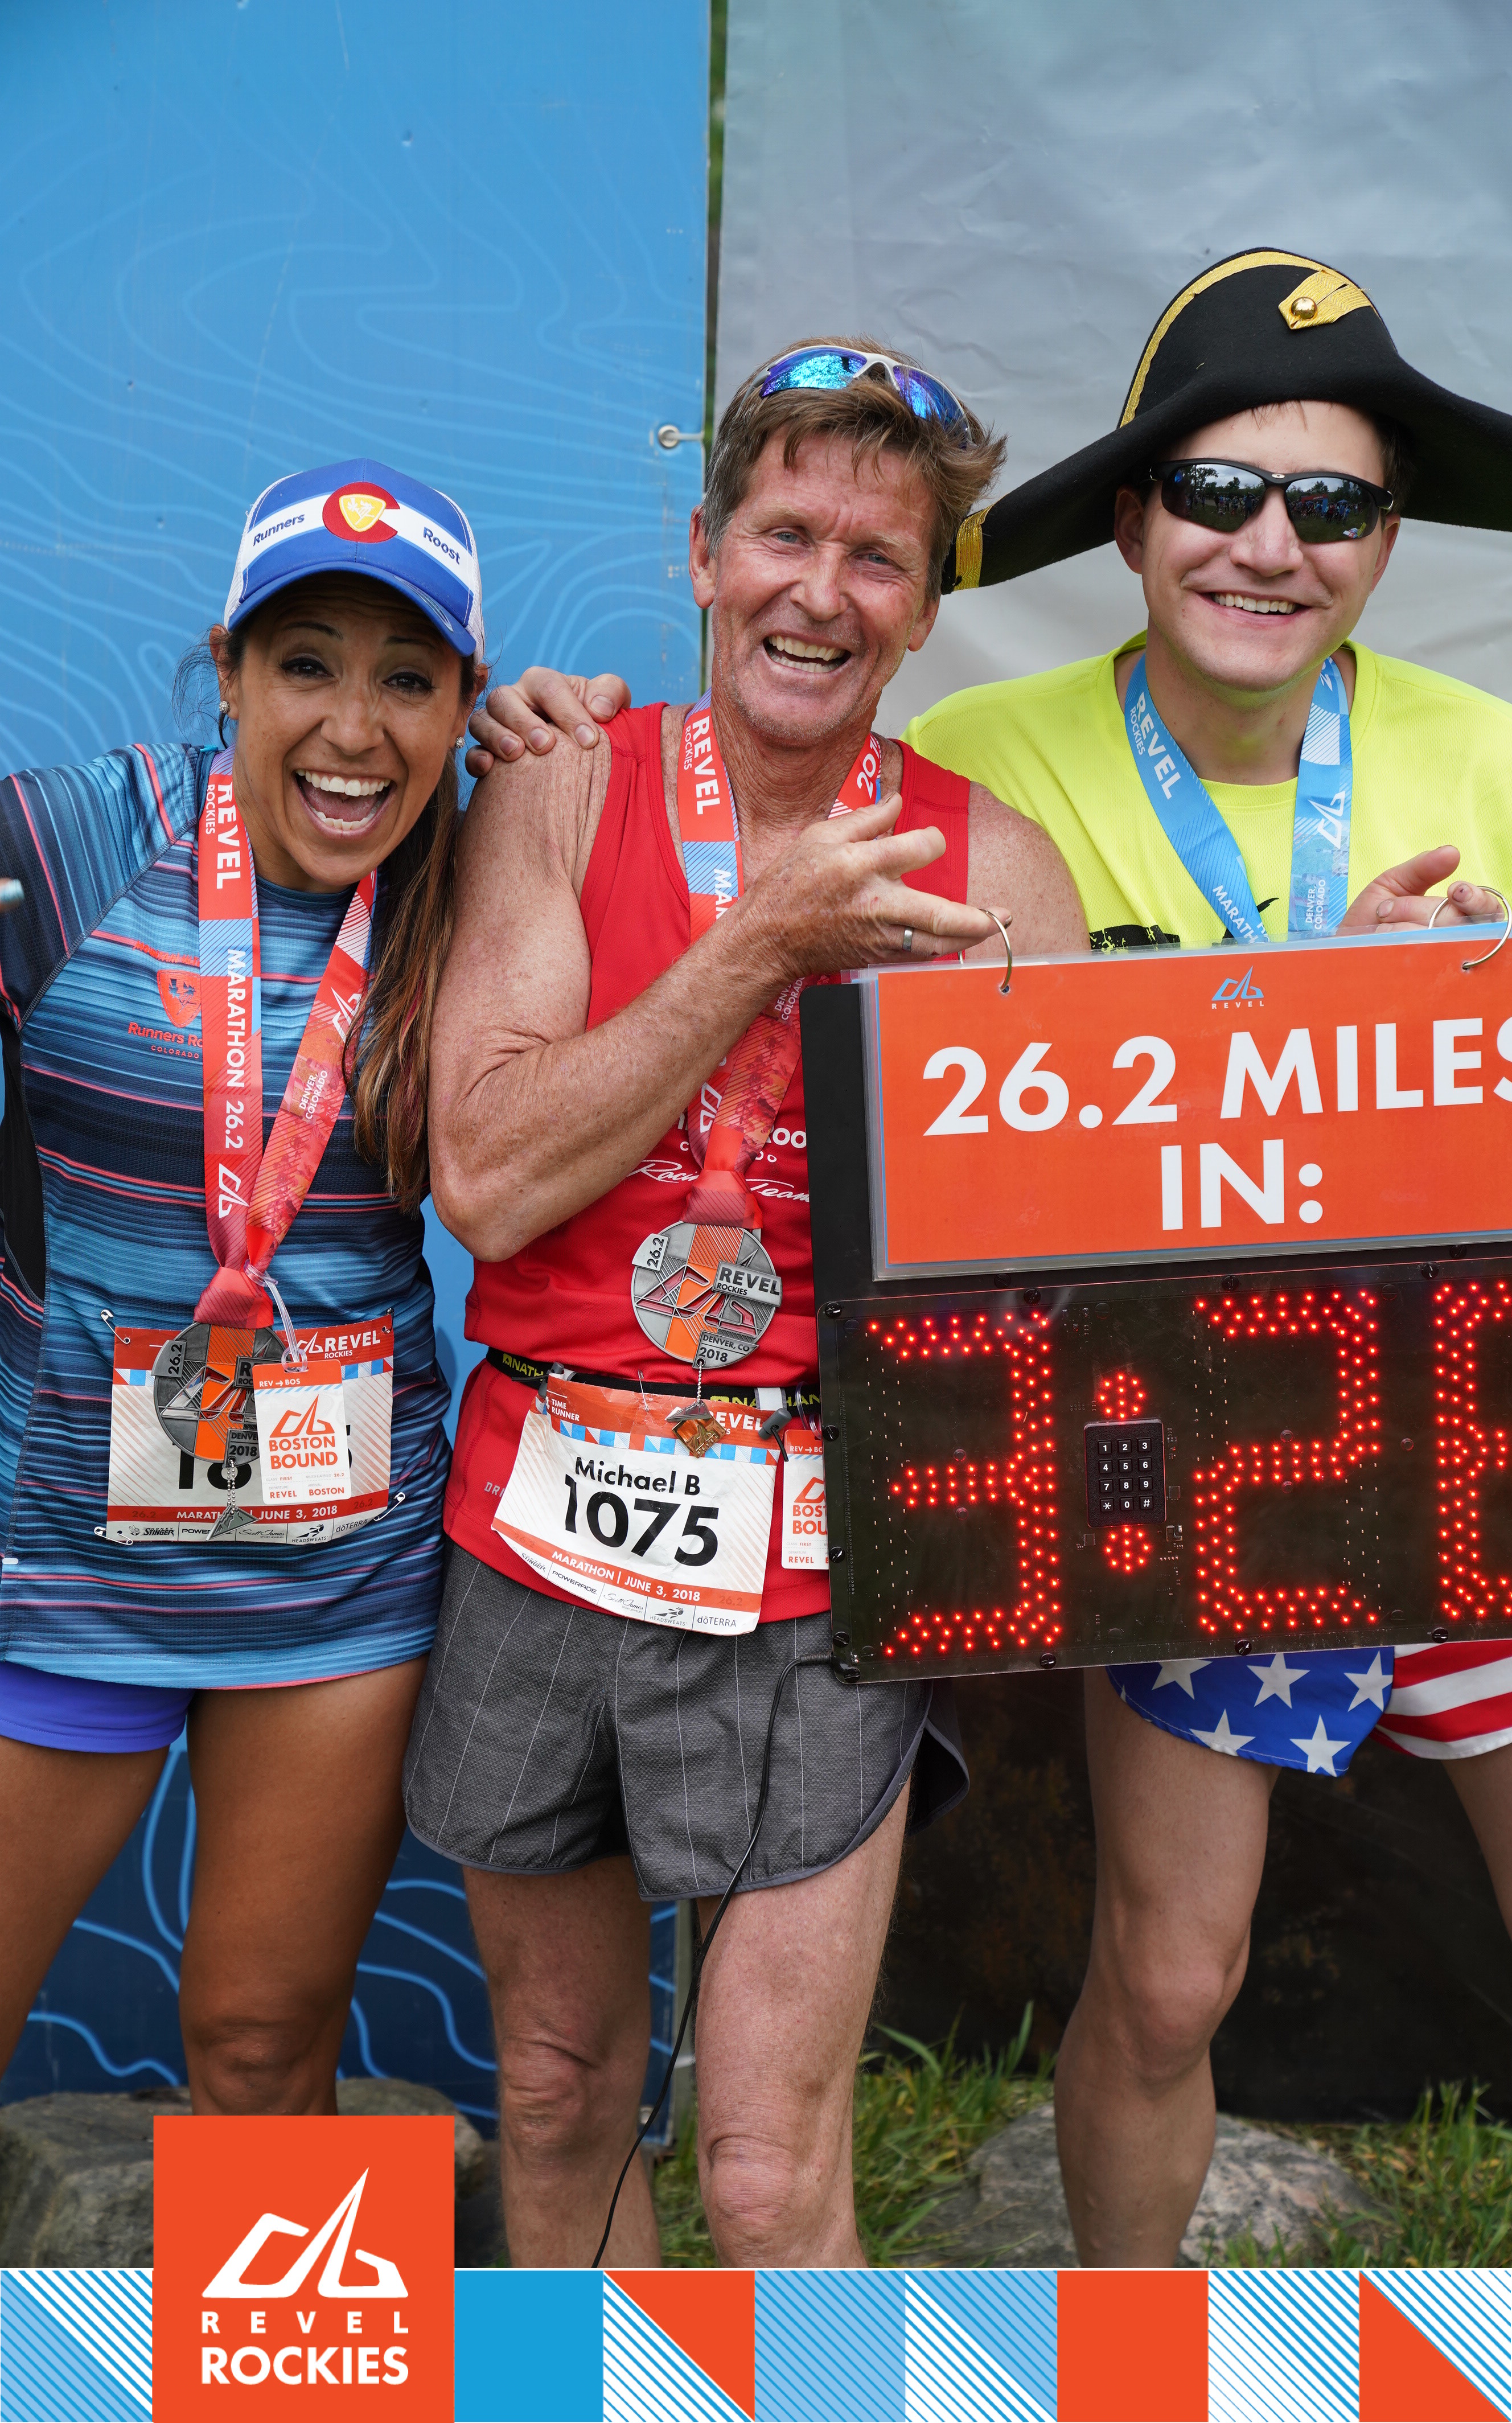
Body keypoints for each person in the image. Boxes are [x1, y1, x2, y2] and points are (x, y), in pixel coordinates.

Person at [410, 342, 1087, 2267]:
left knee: (771, 2172)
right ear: (702, 553)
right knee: (558, 2087)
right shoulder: (561, 789)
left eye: (880, 558)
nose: (822, 591)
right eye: (784, 535)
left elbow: (1070, 1263)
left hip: (817, 1556)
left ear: (928, 609)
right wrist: (760, 949)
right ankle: (596, 2394)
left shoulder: (993, 871)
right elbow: (489, 1175)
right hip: (539, 1516)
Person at [895, 249, 1512, 2264]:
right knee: (1170, 1984)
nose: (1272, 543)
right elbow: (943, 1149)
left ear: (1388, 541)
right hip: (1195, 1455)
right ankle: (1130, 2359)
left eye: (1330, 504)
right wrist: (1315, 1009)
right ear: (1134, 519)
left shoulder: (1491, 751)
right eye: (1221, 491)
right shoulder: (981, 754)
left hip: (1474, 1433)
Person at [0, 460, 488, 2113]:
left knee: (264, 2044)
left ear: (464, 704)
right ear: (226, 671)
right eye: (307, 665)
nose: (356, 730)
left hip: (335, 1576)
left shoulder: (482, 882)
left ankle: (270, 2307)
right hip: (59, 1553)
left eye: (407, 680)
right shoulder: (82, 839)